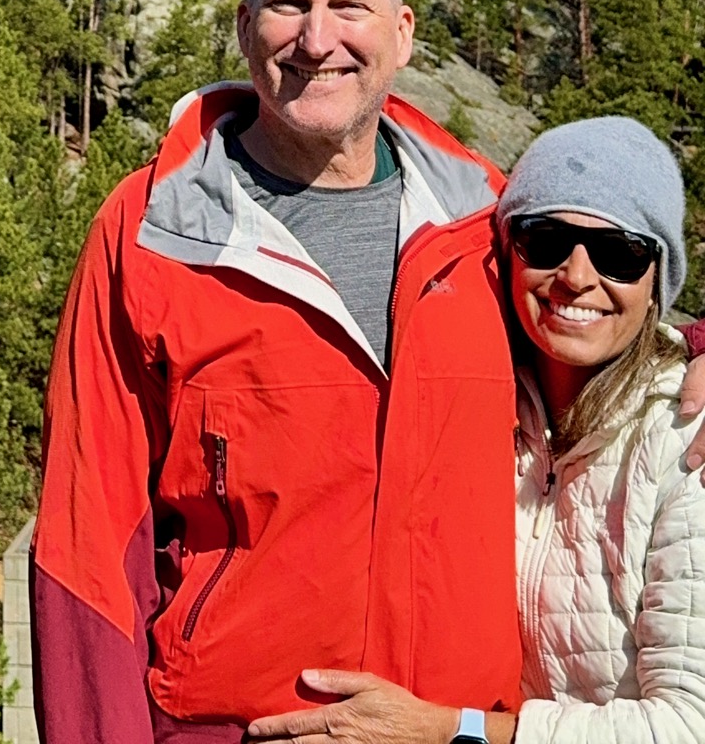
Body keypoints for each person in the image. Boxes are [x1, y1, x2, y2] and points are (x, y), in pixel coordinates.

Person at [30, 0, 705, 744]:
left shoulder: (482, 222)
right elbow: (88, 540)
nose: (318, 40)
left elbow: (593, 321)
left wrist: (701, 347)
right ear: (244, 26)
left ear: (403, 32)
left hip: (455, 728)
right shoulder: (153, 234)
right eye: (289, 4)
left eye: (350, 6)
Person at [248, 116, 705, 744]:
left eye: (619, 253)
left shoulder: (685, 439)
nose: (576, 276)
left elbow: (689, 723)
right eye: (546, 240)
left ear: (658, 280)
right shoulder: (485, 403)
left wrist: (449, 730)